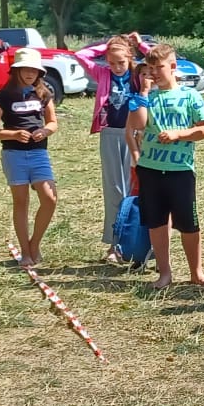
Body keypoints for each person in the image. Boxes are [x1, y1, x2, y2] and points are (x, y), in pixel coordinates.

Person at [126, 41, 204, 289]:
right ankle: (164, 273)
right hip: (151, 169)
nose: (154, 72)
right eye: (150, 68)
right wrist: (143, 94)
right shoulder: (145, 98)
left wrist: (179, 134)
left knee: (188, 223)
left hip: (181, 170)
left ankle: (197, 272)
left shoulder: (190, 95)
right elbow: (138, 125)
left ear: (173, 67)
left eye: (159, 67)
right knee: (156, 222)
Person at [0, 49, 58, 266]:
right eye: (25, 69)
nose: (29, 74)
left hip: (39, 153)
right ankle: (25, 252)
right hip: (13, 154)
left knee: (50, 198)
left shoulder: (44, 94)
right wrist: (14, 134)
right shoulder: (4, 97)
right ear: (16, 71)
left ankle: (34, 244)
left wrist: (45, 131)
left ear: (39, 73)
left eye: (34, 70)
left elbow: (53, 122)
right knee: (21, 202)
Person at [86, 34, 144, 265]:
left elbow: (159, 60)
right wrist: (107, 46)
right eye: (112, 62)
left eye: (121, 62)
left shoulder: (139, 75)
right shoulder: (103, 73)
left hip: (135, 134)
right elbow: (81, 55)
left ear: (130, 58)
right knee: (114, 190)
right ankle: (113, 243)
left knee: (134, 188)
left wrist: (138, 44)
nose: (117, 67)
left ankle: (135, 243)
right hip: (110, 133)